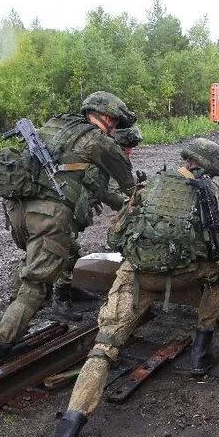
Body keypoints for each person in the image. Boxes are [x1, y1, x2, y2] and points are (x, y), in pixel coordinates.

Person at [10, 139, 219, 437]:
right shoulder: (211, 193)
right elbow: (217, 240)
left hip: (140, 277)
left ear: (185, 160)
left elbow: (116, 236)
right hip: (186, 275)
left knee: (104, 348)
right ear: (207, 168)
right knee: (218, 278)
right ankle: (201, 350)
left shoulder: (149, 184)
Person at [0, 91, 136, 377]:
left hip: (18, 212)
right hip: (49, 218)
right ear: (109, 118)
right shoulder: (100, 141)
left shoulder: (55, 125)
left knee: (44, 260)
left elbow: (95, 187)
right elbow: (130, 184)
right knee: (35, 286)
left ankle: (44, 301)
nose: (116, 128)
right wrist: (134, 200)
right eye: (116, 122)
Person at [50, 124, 145, 323]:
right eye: (127, 146)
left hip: (69, 208)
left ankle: (72, 290)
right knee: (65, 251)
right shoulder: (101, 160)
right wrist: (133, 201)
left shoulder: (104, 157)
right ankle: (60, 300)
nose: (130, 151)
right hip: (59, 209)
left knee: (71, 250)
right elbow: (109, 193)